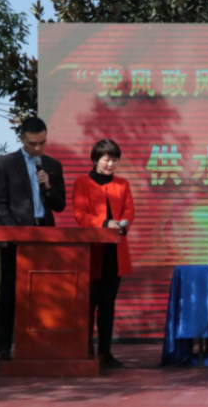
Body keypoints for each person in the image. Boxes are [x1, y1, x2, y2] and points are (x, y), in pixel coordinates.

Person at [0, 116, 66, 364]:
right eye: (33, 143)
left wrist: (48, 187)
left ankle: (42, 344)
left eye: (42, 143)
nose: (38, 148)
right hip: (15, 239)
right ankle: (4, 349)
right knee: (10, 293)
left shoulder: (53, 165)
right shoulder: (5, 163)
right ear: (22, 138)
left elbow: (60, 205)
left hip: (44, 237)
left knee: (44, 292)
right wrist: (16, 232)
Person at [73, 139, 135, 368]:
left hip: (114, 251)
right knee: (89, 303)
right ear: (95, 159)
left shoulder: (122, 184)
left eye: (115, 160)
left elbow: (129, 209)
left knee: (108, 303)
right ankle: (85, 349)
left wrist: (122, 224)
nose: (111, 164)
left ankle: (105, 352)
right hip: (91, 251)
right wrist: (105, 223)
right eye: (107, 159)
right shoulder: (82, 182)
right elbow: (80, 214)